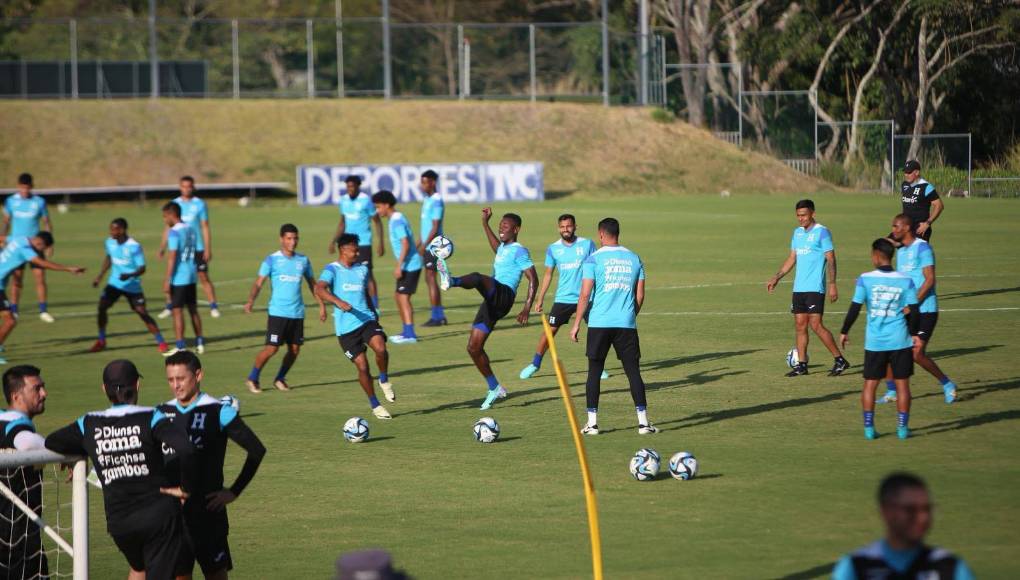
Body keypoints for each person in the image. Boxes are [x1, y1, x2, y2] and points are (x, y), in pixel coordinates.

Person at [45, 359, 195, 580]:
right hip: (158, 518)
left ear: (104, 389)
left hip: (120, 523)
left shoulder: (88, 423)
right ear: (137, 385)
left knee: (139, 569)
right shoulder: (151, 416)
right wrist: (186, 488)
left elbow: (52, 441)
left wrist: (87, 449)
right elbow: (187, 449)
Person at [158, 351, 267, 580]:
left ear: (198, 375)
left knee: (216, 575)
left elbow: (257, 450)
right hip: (173, 516)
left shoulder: (218, 411)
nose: (176, 385)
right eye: (171, 380)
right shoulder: (161, 413)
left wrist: (234, 491)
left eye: (181, 378)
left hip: (209, 513)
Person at [440, 208, 538, 410]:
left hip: (504, 295)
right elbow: (496, 246)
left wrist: (527, 307)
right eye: (500, 224)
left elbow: (533, 278)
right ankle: (494, 387)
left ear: (516, 229)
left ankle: (452, 280)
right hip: (492, 301)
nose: (501, 228)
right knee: (473, 348)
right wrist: (485, 222)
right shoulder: (503, 248)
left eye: (506, 226)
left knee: (477, 278)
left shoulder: (520, 250)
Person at [569, 218, 657, 435]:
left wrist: (577, 323)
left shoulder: (593, 260)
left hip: (599, 323)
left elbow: (585, 294)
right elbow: (640, 294)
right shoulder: (635, 258)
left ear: (601, 234)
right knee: (633, 372)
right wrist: (629, 315)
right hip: (626, 324)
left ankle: (592, 424)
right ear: (618, 233)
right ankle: (644, 423)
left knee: (594, 371)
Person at [839, 239, 922, 440]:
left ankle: (869, 428)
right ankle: (902, 429)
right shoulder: (906, 280)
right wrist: (915, 335)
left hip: (875, 342)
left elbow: (855, 307)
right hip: (900, 340)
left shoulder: (865, 279)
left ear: (876, 255)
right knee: (903, 385)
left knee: (870, 384)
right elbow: (915, 311)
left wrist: (844, 330)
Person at [831, 473, 975, 579]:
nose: (922, 518)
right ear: (886, 512)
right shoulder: (857, 567)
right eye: (910, 510)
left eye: (926, 509)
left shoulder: (950, 567)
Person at [878, 214, 957, 405]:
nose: (893, 230)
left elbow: (929, 280)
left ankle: (947, 384)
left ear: (906, 228)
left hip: (926, 310)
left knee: (916, 354)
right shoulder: (902, 251)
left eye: (896, 227)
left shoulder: (923, 248)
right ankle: (892, 391)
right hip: (905, 310)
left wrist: (910, 305)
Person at [766, 199, 850, 377]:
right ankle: (801, 365)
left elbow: (831, 259)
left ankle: (839, 360)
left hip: (815, 288)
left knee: (816, 325)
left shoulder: (822, 232)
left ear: (813, 213)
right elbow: (792, 258)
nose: (800, 219)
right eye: (798, 215)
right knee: (799, 325)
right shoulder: (797, 233)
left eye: (804, 215)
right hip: (799, 288)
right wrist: (777, 277)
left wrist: (832, 284)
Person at [316, 234, 394, 417]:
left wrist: (374, 313)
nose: (358, 252)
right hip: (346, 330)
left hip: (366, 320)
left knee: (381, 349)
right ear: (343, 249)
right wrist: (338, 302)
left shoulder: (362, 269)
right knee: (363, 367)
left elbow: (365, 293)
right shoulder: (332, 269)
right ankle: (375, 405)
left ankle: (384, 379)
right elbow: (319, 288)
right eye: (354, 249)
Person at [519, 214, 606, 380]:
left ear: (575, 227)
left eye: (569, 226)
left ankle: (598, 367)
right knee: (549, 332)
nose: (566, 229)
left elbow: (597, 267)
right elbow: (547, 274)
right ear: (558, 228)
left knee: (596, 331)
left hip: (587, 297)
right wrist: (540, 298)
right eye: (562, 227)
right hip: (563, 298)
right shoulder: (553, 248)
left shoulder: (587, 244)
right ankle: (535, 364)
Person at [243, 224, 325, 393]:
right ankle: (253, 377)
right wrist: (251, 300)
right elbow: (259, 282)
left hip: (297, 313)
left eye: (295, 238)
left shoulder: (303, 260)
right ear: (281, 239)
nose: (293, 242)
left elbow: (313, 284)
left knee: (294, 349)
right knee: (271, 349)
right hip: (278, 313)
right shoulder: (271, 260)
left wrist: (321, 305)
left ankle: (280, 378)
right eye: (289, 238)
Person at [0, 232, 85, 364]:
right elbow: (41, 263)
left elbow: (2, 238)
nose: (41, 251)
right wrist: (67, 269)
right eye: (43, 248)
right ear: (39, 242)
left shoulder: (19, 238)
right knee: (10, 321)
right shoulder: (26, 250)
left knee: (8, 319)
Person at [89, 218, 169, 354]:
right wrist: (100, 276)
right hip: (114, 284)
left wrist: (129, 275)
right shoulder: (109, 242)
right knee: (102, 307)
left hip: (132, 286)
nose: (111, 232)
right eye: (111, 229)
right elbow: (109, 257)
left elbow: (142, 268)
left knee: (142, 312)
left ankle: (161, 341)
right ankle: (101, 340)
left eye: (114, 229)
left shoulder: (134, 246)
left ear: (122, 230)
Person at [0, 365, 50, 579]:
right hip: (18, 540)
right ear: (16, 396)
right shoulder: (18, 427)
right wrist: (65, 453)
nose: (44, 394)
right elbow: (27, 443)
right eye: (37, 388)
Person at [159, 176, 221, 319]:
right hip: (179, 247)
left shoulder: (199, 204)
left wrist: (207, 248)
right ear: (180, 187)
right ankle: (170, 306)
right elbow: (168, 227)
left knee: (203, 275)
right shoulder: (174, 203)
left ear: (194, 187)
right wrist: (163, 246)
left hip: (197, 247)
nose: (186, 189)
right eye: (184, 186)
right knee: (174, 274)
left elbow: (204, 226)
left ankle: (213, 306)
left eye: (189, 186)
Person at [2, 173, 55, 323]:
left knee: (40, 277)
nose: (24, 190)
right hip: (18, 247)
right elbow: (6, 221)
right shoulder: (11, 201)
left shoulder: (39, 202)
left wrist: (50, 244)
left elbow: (46, 222)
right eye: (22, 187)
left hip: (36, 246)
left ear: (32, 186)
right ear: (18, 186)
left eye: (27, 187)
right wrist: (3, 239)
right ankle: (14, 310)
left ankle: (43, 310)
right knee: (17, 280)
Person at [372, 190, 422, 344]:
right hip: (409, 264)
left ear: (387, 205)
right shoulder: (396, 218)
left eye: (379, 207)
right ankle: (406, 331)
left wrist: (399, 266)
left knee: (403, 297)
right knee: (398, 296)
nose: (377, 210)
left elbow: (405, 243)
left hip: (410, 265)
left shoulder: (397, 221)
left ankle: (410, 334)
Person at [328, 175, 384, 310]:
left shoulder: (366, 201)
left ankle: (375, 306)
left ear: (358, 186)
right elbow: (342, 222)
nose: (350, 189)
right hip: (347, 244)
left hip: (363, 243)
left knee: (367, 274)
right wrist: (334, 241)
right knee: (345, 272)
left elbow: (377, 221)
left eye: (352, 186)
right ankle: (346, 303)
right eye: (348, 187)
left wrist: (380, 242)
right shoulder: (344, 200)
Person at [162, 202, 205, 356]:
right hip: (191, 275)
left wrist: (167, 279)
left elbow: (172, 257)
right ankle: (200, 342)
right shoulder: (190, 229)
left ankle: (180, 346)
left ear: (172, 214)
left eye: (165, 216)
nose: (165, 220)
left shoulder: (174, 232)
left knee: (177, 311)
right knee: (193, 309)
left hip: (179, 277)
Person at [417, 170, 447, 326]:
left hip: (434, 246)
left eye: (425, 182)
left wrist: (423, 245)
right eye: (422, 182)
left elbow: (435, 227)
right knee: (429, 279)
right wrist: (418, 244)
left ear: (433, 182)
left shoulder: (436, 200)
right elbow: (425, 226)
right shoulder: (427, 200)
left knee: (431, 278)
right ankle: (438, 315)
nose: (422, 185)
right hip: (428, 244)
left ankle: (438, 317)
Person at [900, 160, 943, 242]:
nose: (906, 175)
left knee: (918, 254)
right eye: (905, 172)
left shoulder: (926, 187)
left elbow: (939, 205)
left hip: (920, 229)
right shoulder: (904, 185)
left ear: (917, 172)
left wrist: (927, 223)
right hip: (906, 228)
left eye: (909, 172)